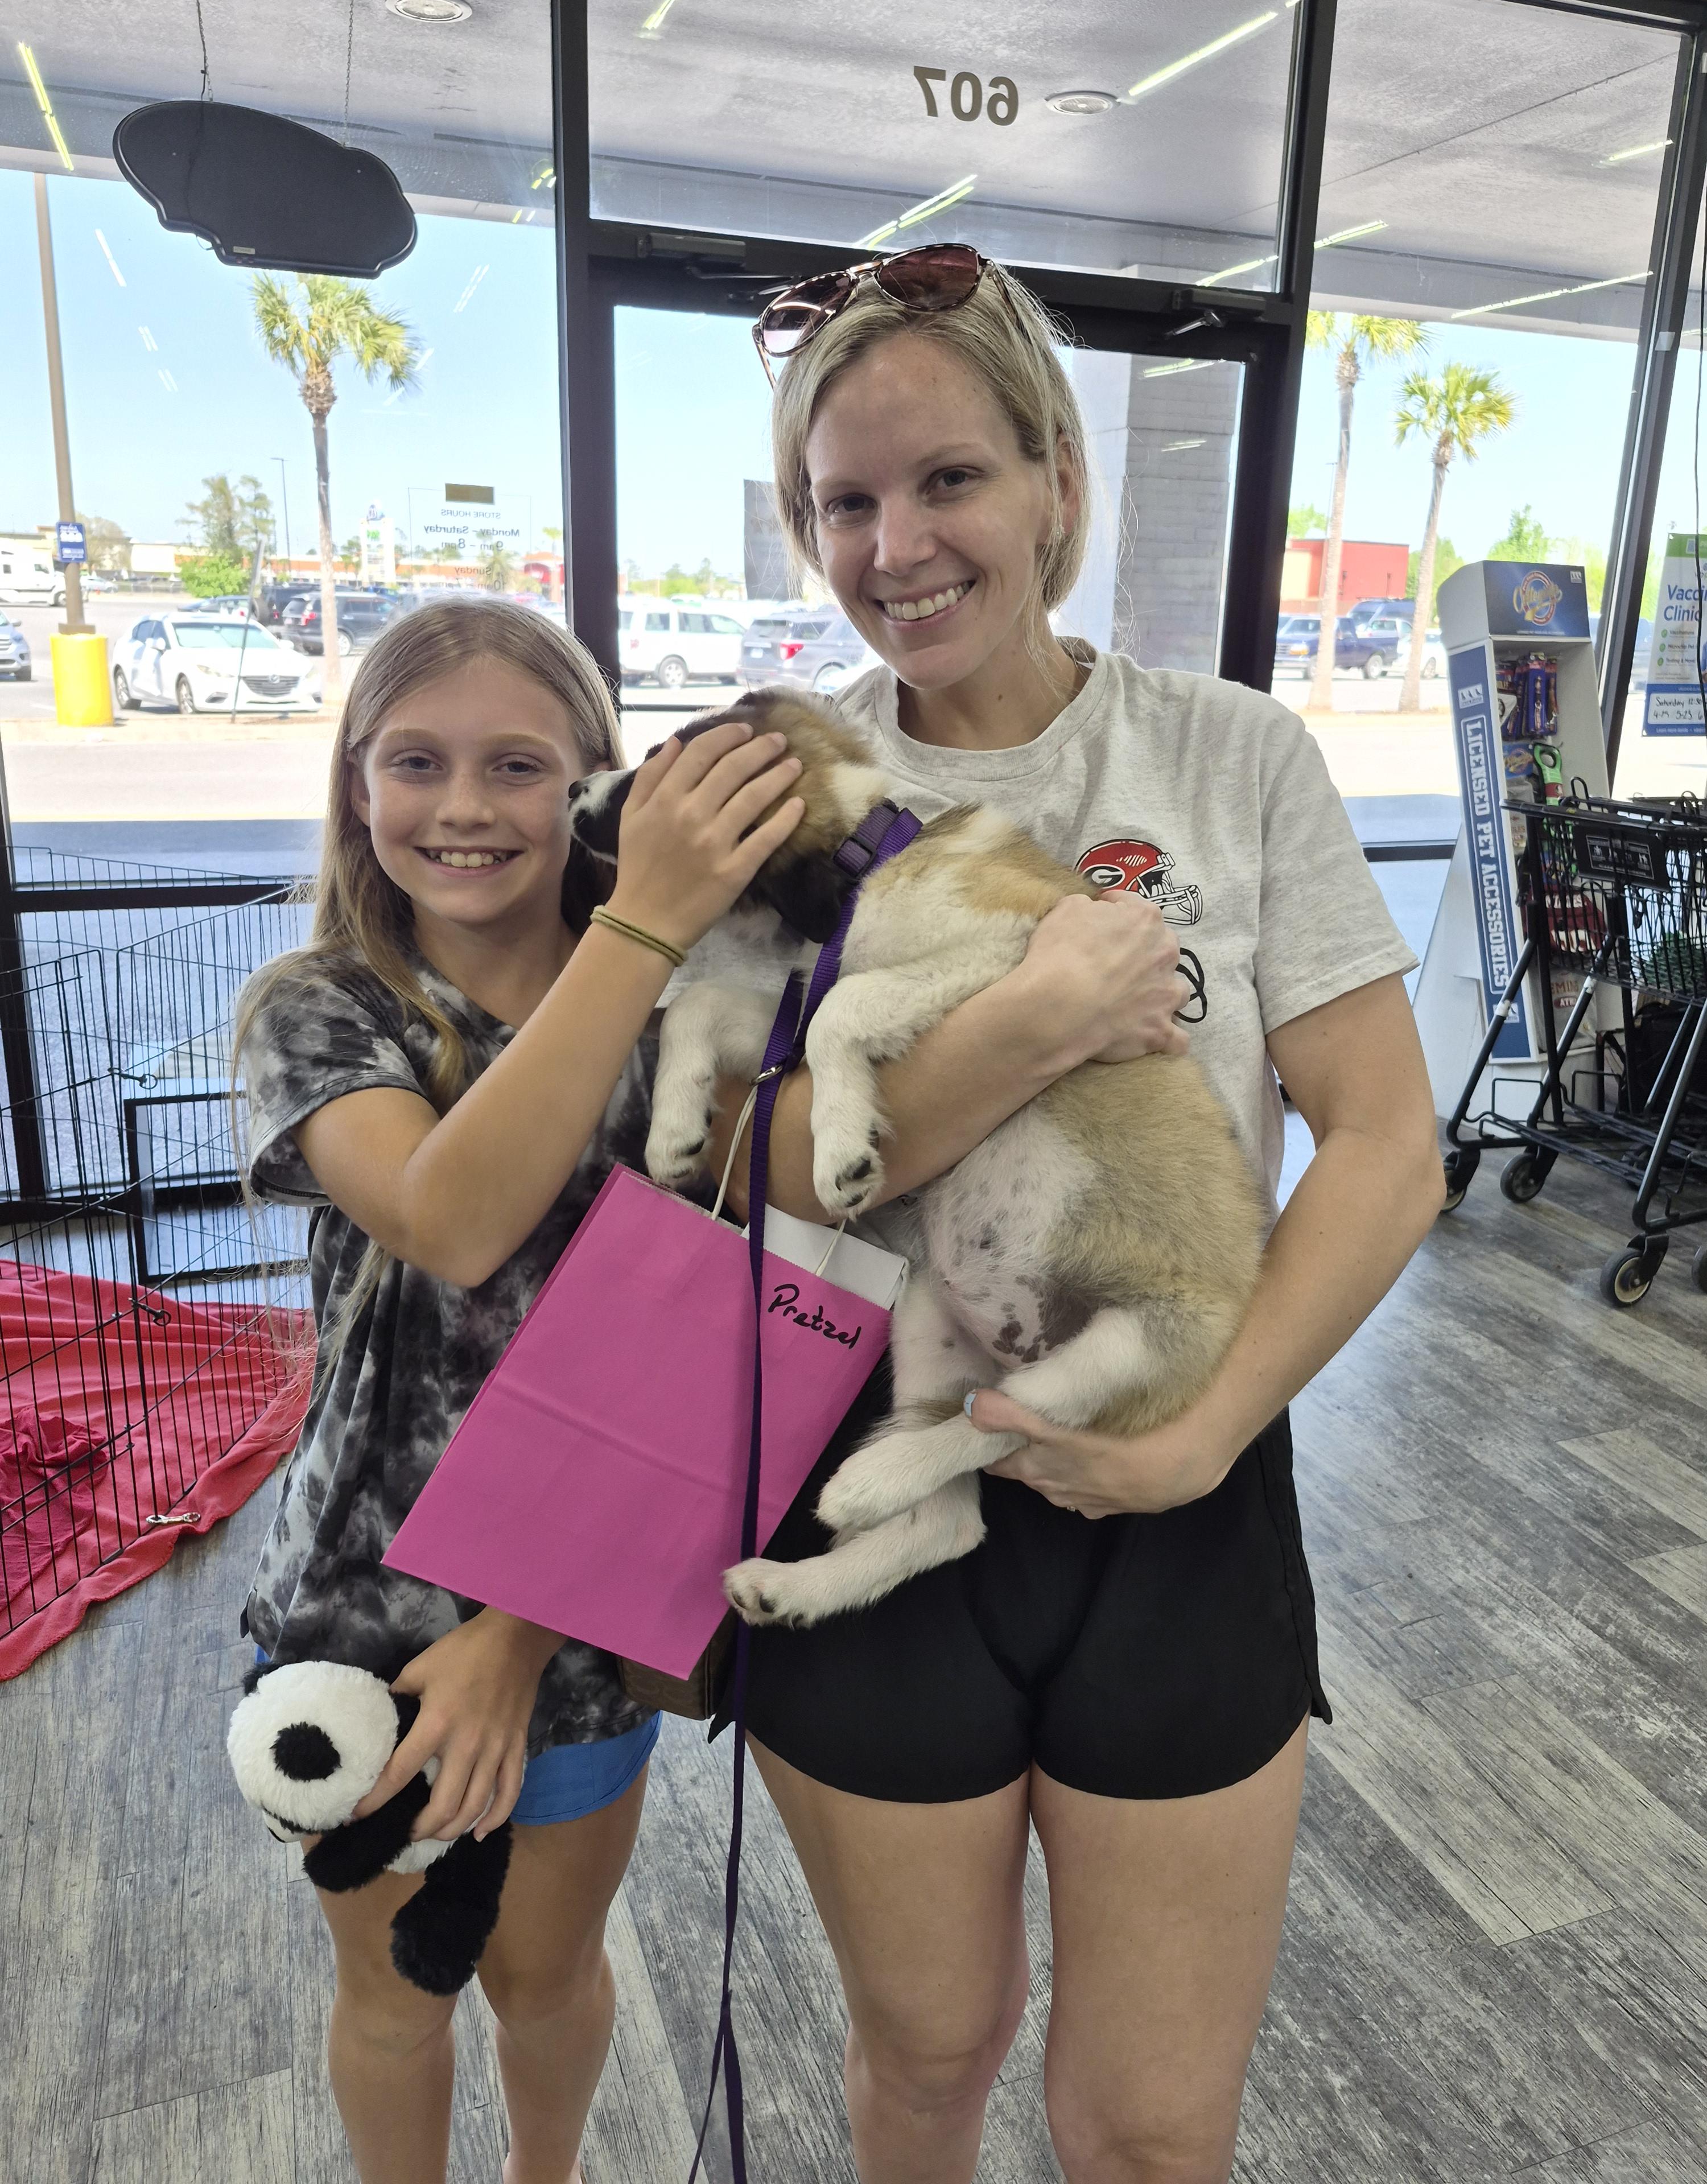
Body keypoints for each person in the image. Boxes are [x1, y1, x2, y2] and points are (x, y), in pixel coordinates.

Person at [233, 594, 1181, 2184]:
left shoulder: (705, 1021)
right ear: (355, 787)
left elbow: (720, 1324)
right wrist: (642, 926)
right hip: (363, 1617)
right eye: (415, 762)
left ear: (602, 789)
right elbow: (457, 1219)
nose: (465, 808)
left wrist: (523, 1633)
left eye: (519, 766)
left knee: (545, 1976)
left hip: (575, 1615)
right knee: (399, 1985)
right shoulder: (323, 1009)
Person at [717, 246, 1446, 2184]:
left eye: (947, 478)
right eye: (843, 500)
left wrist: (1210, 1426)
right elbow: (741, 1159)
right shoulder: (780, 791)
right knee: (932, 2058)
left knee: (1144, 2123)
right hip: (861, 1451)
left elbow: (1384, 1143)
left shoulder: (1228, 758)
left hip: (1176, 1487)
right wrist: (1032, 1026)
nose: (897, 543)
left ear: (1056, 476)